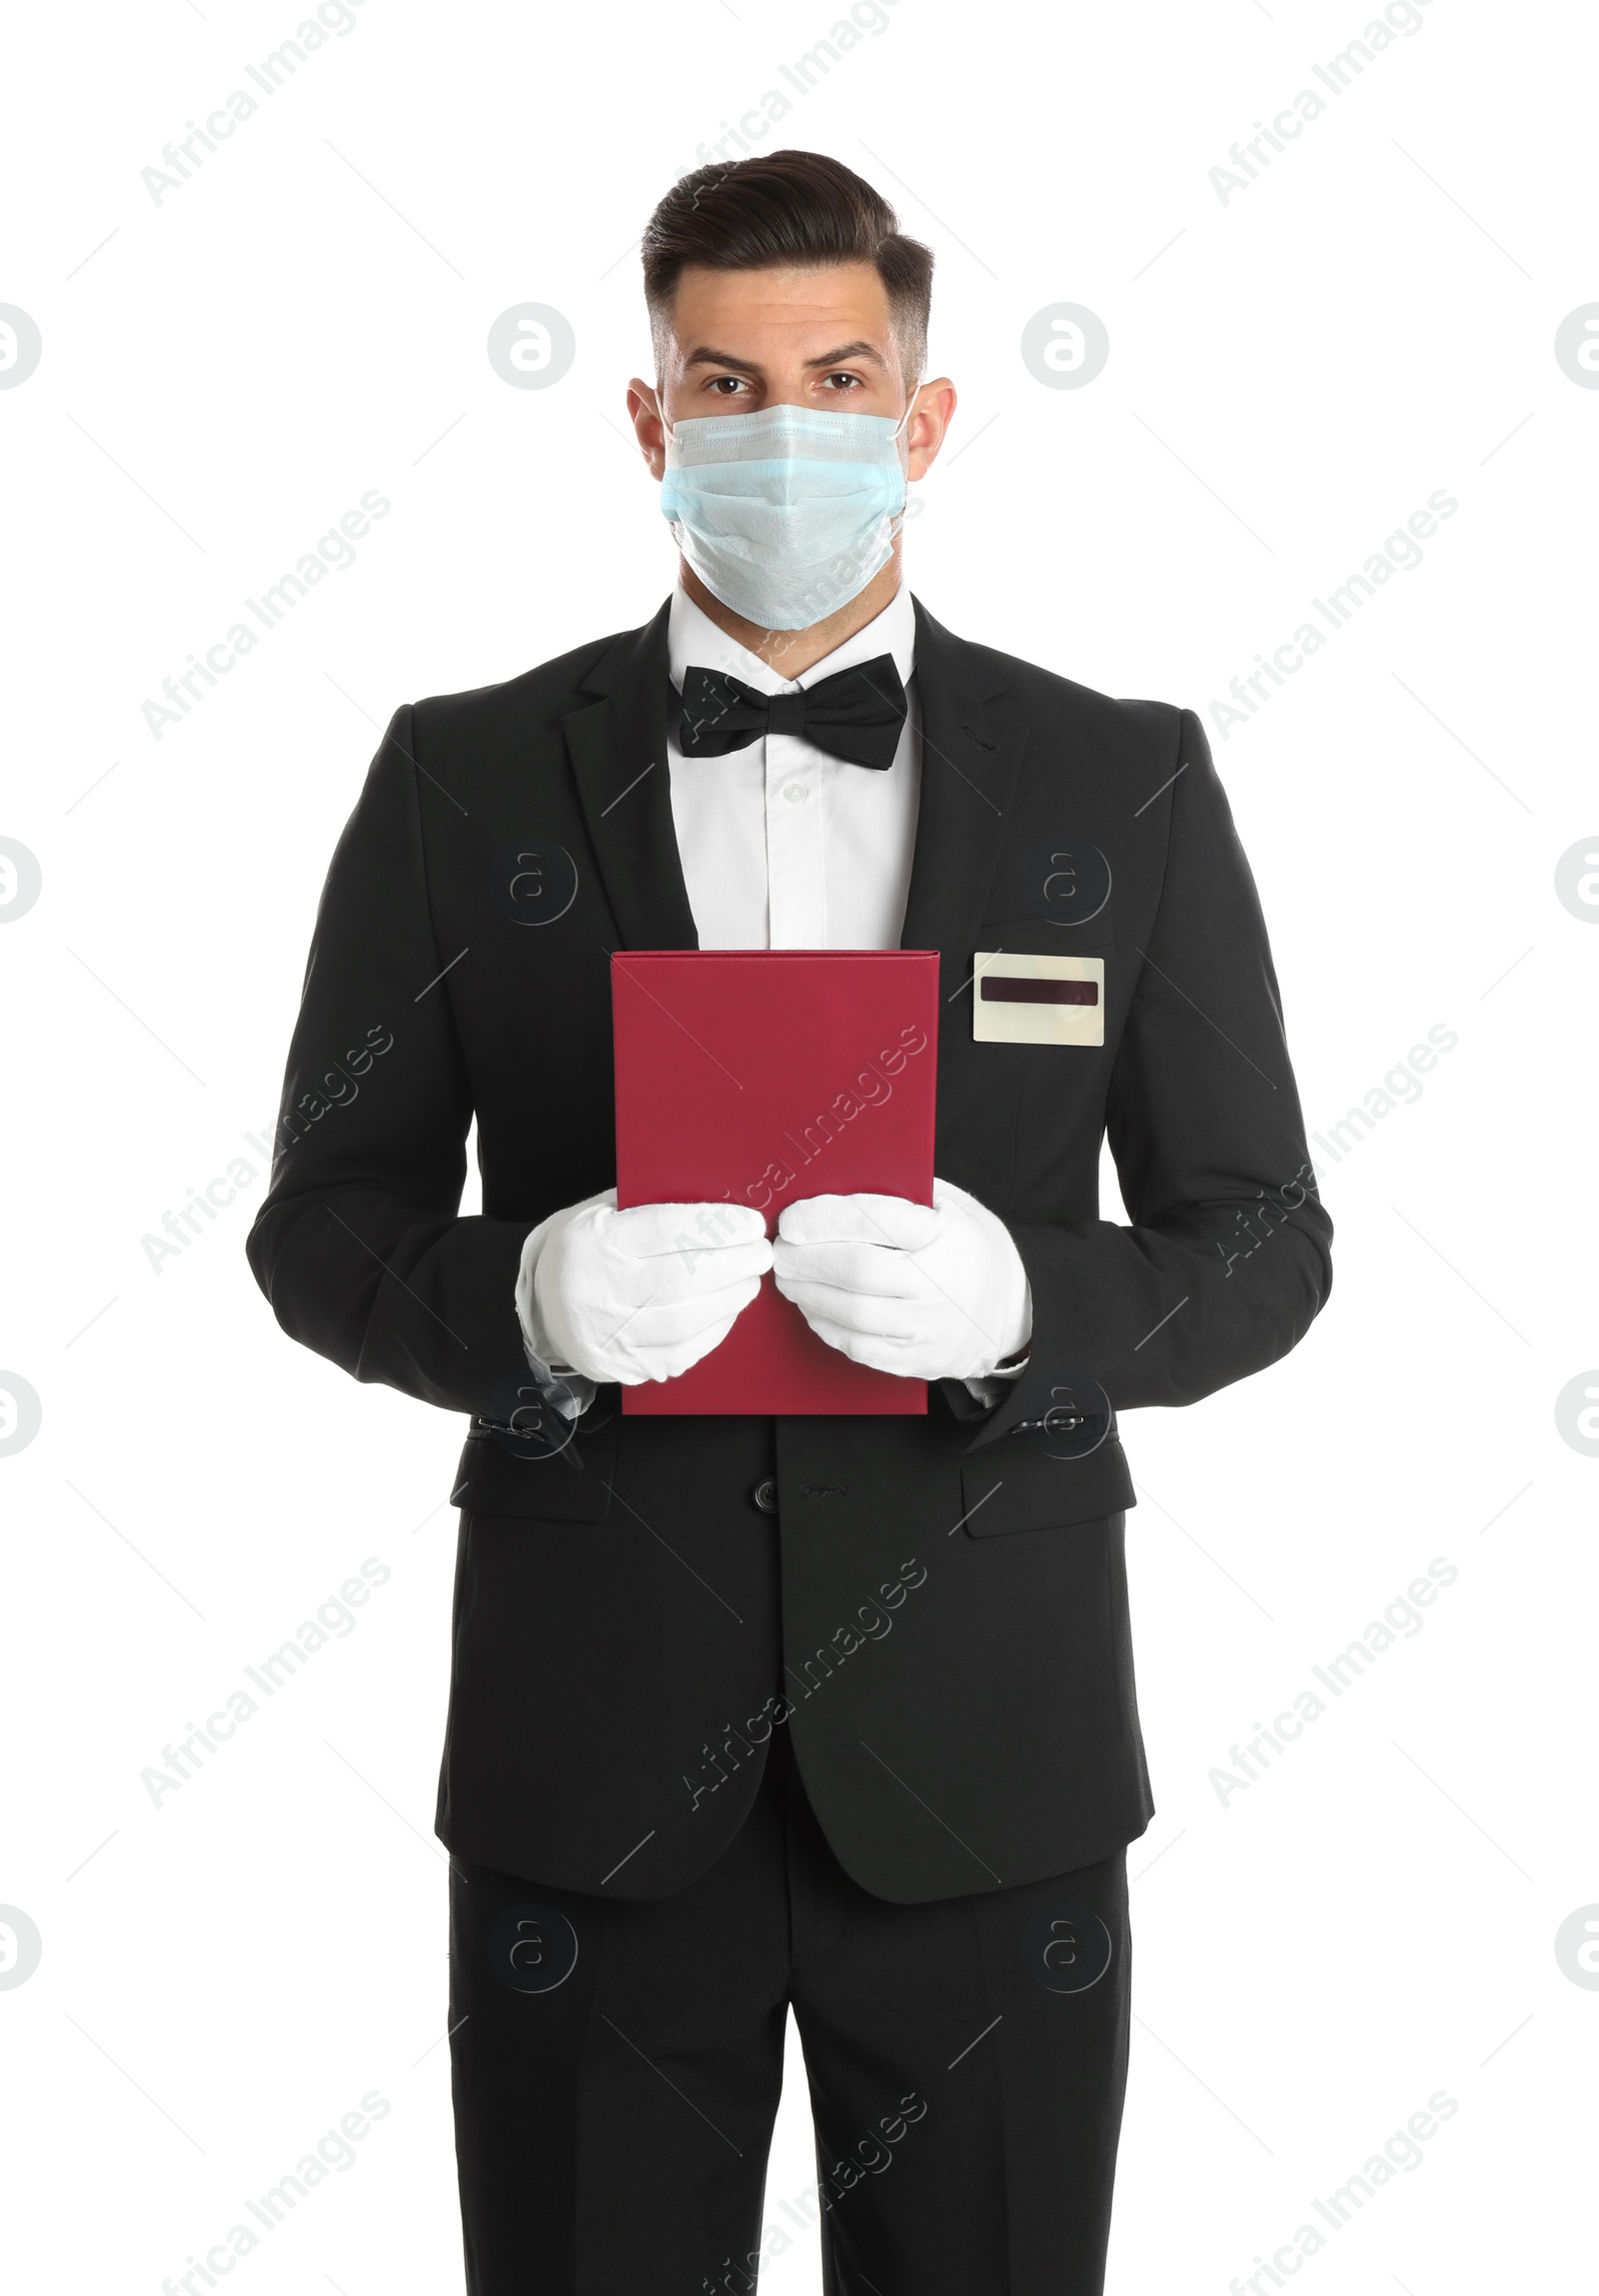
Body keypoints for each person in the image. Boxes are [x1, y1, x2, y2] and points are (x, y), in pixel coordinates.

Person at [247, 148, 1332, 2296]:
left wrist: (1031, 1295)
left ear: (921, 421)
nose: (783, 429)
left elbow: (1261, 1236)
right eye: (725, 388)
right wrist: (526, 1293)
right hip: (589, 1768)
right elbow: (321, 1222)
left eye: (838, 377)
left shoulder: (1120, 780)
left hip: (988, 1763)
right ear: (649, 427)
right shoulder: (458, 778)